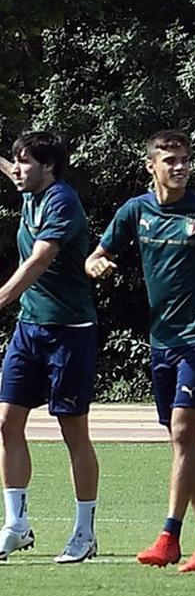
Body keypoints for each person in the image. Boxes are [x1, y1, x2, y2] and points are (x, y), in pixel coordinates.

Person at [88, 132, 195, 570]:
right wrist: (96, 264)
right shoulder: (136, 211)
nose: (180, 167)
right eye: (170, 160)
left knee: (184, 434)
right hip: (161, 341)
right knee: (182, 443)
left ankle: (169, 536)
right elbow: (98, 253)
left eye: (185, 159)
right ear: (152, 166)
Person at [3, 130, 104, 563]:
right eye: (17, 161)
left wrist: (1, 298)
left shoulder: (61, 200)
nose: (18, 169)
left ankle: (85, 533)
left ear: (49, 167)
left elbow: (40, 259)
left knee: (72, 431)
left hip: (70, 331)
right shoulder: (30, 188)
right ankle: (17, 525)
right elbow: (7, 169)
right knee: (6, 422)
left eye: (26, 163)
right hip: (31, 329)